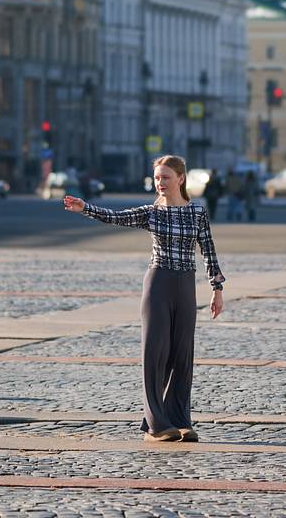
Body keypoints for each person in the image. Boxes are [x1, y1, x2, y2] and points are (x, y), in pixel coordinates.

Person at [64, 154, 225, 442]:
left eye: (165, 177)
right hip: (158, 283)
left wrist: (217, 289)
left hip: (185, 285)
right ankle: (156, 425)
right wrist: (85, 208)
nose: (160, 183)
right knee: (156, 352)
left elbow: (209, 251)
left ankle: (180, 420)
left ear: (181, 179)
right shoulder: (151, 212)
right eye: (157, 178)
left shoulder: (197, 213)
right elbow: (116, 216)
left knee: (182, 354)